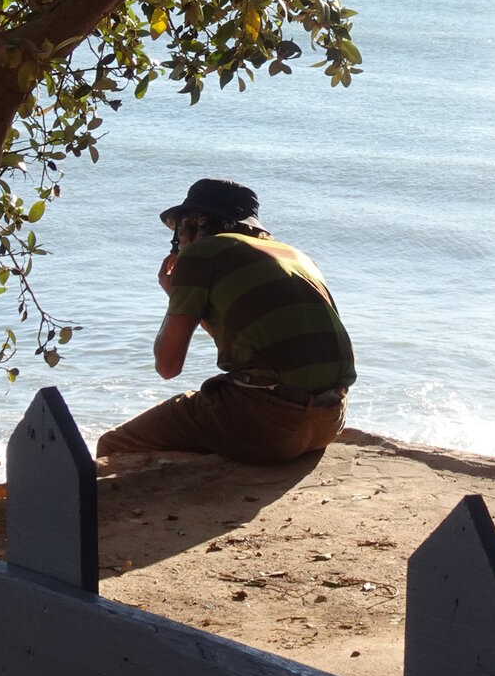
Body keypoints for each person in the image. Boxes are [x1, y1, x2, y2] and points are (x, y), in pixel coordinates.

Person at [96, 178, 356, 463]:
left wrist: (175, 299)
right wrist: (188, 299)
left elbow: (167, 366)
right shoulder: (297, 256)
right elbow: (253, 340)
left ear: (199, 221)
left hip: (268, 422)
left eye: (179, 230)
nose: (178, 242)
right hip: (330, 419)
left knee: (113, 445)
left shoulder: (201, 253)